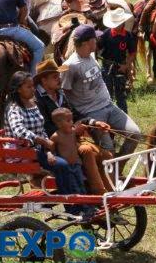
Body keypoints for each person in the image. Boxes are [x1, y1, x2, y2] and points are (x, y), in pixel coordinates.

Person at [3, 72, 89, 216]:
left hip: (37, 150)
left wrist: (48, 151)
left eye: (32, 86)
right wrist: (43, 141)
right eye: (28, 87)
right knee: (63, 166)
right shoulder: (14, 108)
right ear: (18, 89)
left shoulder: (33, 103)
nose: (32, 89)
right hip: (23, 152)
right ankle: (73, 208)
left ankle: (81, 202)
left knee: (71, 164)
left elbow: (41, 129)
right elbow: (19, 131)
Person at [61, 24, 142, 162]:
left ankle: (118, 167)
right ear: (87, 43)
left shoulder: (92, 55)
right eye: (95, 39)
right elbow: (64, 92)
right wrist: (81, 118)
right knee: (108, 149)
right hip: (91, 112)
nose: (97, 41)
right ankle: (110, 173)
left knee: (135, 134)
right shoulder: (70, 66)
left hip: (109, 105)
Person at [34, 60, 113, 195]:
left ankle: (111, 191)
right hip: (58, 144)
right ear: (44, 80)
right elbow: (46, 128)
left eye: (58, 76)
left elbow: (76, 115)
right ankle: (99, 194)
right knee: (86, 150)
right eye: (55, 77)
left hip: (72, 139)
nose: (59, 79)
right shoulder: (37, 100)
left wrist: (94, 123)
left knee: (106, 155)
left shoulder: (60, 94)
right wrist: (72, 130)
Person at [98, 8, 136, 113]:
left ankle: (124, 117)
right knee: (107, 95)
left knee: (121, 95)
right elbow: (97, 48)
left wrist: (126, 66)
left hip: (120, 69)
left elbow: (132, 53)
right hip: (106, 68)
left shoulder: (128, 35)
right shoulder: (106, 34)